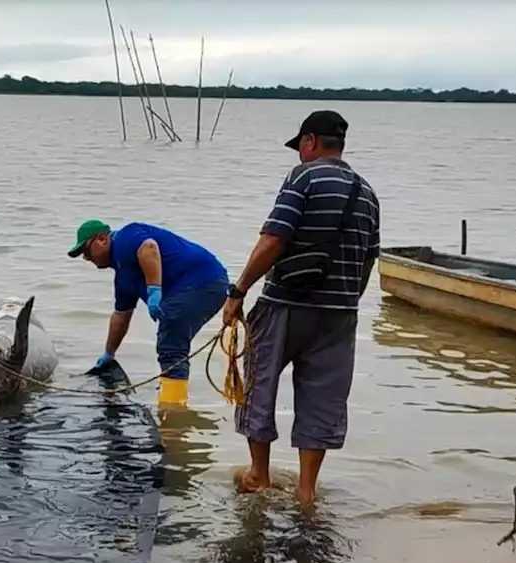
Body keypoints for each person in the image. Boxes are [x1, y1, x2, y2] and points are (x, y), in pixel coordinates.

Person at [221, 109, 381, 505]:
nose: (299, 154)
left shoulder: (303, 177)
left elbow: (273, 239)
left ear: (310, 142)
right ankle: (307, 492)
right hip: (340, 314)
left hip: (286, 304)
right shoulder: (368, 193)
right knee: (323, 399)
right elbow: (369, 258)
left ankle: (259, 475)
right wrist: (347, 301)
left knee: (258, 386)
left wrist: (238, 290)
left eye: (300, 146)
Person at [68, 219, 229, 406]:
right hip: (204, 285)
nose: (86, 258)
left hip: (202, 280)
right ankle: (172, 391)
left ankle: (172, 409)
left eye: (86, 251)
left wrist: (154, 290)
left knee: (171, 346)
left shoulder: (125, 237)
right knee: (172, 345)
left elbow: (149, 247)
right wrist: (109, 354)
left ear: (102, 239)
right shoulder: (123, 278)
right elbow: (121, 316)